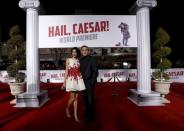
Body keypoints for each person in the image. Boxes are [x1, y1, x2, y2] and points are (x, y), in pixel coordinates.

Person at [62, 47, 86, 122]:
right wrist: (64, 82)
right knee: (72, 98)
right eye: (73, 52)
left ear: (77, 53)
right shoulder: (68, 60)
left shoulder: (79, 60)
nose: (74, 53)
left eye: (75, 52)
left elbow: (80, 70)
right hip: (71, 79)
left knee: (76, 99)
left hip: (78, 79)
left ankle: (75, 115)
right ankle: (67, 108)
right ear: (71, 53)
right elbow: (66, 71)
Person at [79, 45, 98, 123]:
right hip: (82, 82)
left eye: (86, 50)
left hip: (89, 82)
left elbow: (95, 71)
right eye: (83, 50)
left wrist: (92, 82)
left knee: (89, 99)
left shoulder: (92, 59)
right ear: (81, 51)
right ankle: (87, 112)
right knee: (85, 99)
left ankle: (90, 116)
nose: (84, 51)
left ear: (88, 51)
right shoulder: (79, 60)